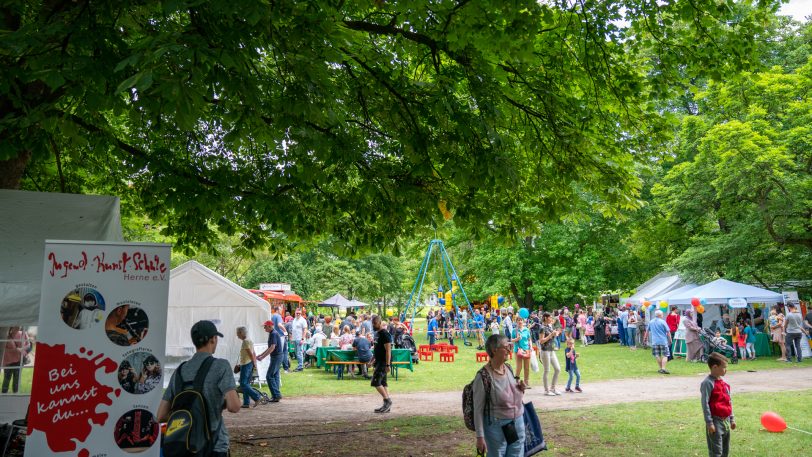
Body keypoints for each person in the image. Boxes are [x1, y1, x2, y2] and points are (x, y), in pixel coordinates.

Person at [157, 320, 240, 456]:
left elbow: (160, 416)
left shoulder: (180, 371)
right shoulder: (221, 366)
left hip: (183, 446)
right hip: (214, 445)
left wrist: (189, 414)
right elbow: (234, 407)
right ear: (213, 339)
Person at [473, 333, 526, 457]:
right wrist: (480, 437)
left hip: (517, 422)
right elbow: (478, 410)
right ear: (494, 350)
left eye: (510, 346)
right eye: (506, 346)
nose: (509, 349)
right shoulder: (482, 377)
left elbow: (510, 395)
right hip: (495, 428)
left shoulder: (508, 368)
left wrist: (520, 389)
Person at [700, 353, 736, 457]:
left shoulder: (724, 383)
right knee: (716, 452)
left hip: (726, 421)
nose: (726, 370)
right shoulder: (707, 383)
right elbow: (705, 403)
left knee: (725, 450)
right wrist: (709, 423)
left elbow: (729, 401)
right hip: (715, 422)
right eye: (724, 368)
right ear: (715, 367)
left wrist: (732, 419)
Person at [257, 320, 284, 402]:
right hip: (277, 356)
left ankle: (276, 395)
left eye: (265, 326)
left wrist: (262, 357)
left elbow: (272, 348)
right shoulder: (273, 333)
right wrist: (261, 354)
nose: (264, 328)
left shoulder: (273, 334)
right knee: (275, 376)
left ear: (270, 326)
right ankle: (276, 396)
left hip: (276, 357)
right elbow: (270, 348)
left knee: (269, 376)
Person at [370, 315, 393, 413]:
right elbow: (376, 349)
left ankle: (387, 401)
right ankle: (386, 405)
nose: (373, 325)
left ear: (380, 323)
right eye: (373, 324)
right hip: (378, 361)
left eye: (375, 323)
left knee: (375, 382)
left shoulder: (385, 334)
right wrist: (372, 360)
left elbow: (388, 351)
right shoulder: (377, 334)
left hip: (384, 362)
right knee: (383, 383)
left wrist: (388, 365)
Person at [236, 326, 262, 408]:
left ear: (241, 333)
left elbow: (251, 353)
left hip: (246, 364)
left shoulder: (245, 342)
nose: (237, 335)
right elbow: (253, 353)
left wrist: (253, 363)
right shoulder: (249, 340)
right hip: (248, 363)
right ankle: (246, 403)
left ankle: (257, 397)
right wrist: (254, 364)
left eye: (237, 333)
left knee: (243, 383)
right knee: (246, 383)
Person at [537, 312, 562, 396]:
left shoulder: (549, 326)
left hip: (551, 350)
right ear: (545, 318)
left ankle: (553, 388)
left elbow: (553, 336)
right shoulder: (542, 328)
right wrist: (551, 335)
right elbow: (541, 341)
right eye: (550, 317)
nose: (551, 319)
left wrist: (556, 333)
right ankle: (546, 390)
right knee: (547, 370)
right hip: (545, 351)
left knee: (557, 369)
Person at [644, 310, 672, 374]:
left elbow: (647, 331)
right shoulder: (663, 322)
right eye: (662, 314)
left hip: (654, 341)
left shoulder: (651, 322)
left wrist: (645, 338)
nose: (662, 315)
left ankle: (660, 368)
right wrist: (670, 340)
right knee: (665, 355)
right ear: (660, 315)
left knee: (657, 355)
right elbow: (668, 332)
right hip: (663, 341)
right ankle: (663, 368)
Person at [2, 327, 28, 393]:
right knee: (6, 379)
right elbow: (3, 349)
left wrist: (22, 349)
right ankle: (4, 394)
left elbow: (28, 345)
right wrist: (15, 350)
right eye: (15, 326)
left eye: (18, 326)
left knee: (16, 380)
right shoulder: (6, 335)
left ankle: (16, 394)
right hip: (8, 361)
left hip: (19, 360)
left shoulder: (23, 334)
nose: (17, 327)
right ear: (12, 327)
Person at [510, 317, 532, 387]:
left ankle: (526, 382)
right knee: (519, 367)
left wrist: (531, 347)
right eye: (518, 320)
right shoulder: (514, 330)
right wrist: (517, 339)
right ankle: (516, 382)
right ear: (516, 322)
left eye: (521, 320)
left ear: (523, 321)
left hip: (526, 350)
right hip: (518, 350)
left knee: (527, 367)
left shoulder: (526, 330)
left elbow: (529, 339)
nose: (520, 321)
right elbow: (511, 340)